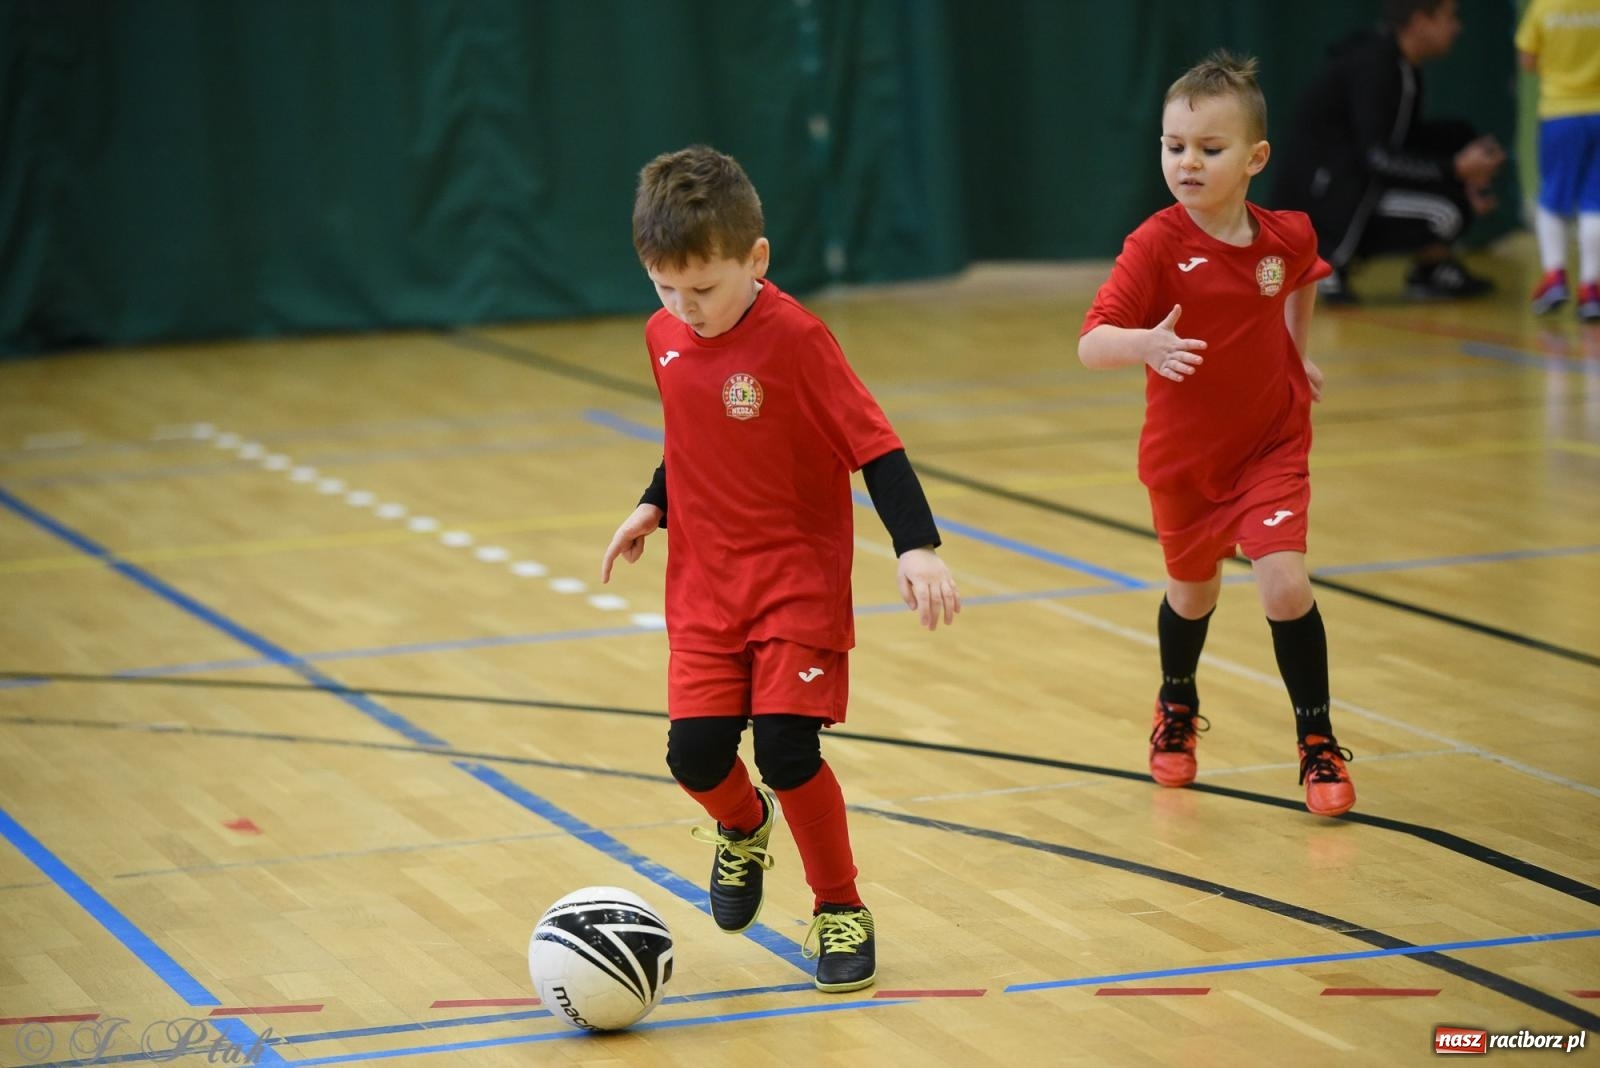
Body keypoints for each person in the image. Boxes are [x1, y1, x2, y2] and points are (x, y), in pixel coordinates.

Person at [601, 145, 960, 993]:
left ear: (755, 259)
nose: (685, 309)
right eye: (665, 289)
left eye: (704, 288)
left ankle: (840, 907)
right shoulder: (664, 336)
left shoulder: (797, 339)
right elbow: (689, 436)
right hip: (703, 585)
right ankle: (742, 824)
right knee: (694, 757)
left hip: (795, 578)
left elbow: (875, 444)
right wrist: (653, 502)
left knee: (787, 747)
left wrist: (916, 544)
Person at [1078, 51, 1356, 818]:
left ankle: (1317, 743)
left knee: (1284, 583)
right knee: (1192, 596)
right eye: (1174, 147)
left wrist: (1298, 357)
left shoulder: (1284, 236)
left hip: (1270, 444)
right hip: (1184, 463)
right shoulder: (1154, 246)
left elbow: (1303, 277)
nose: (1188, 162)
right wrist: (1145, 345)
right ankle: (1175, 704)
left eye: (1209, 148)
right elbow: (1091, 341)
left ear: (1254, 159)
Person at [1274, 0, 1507, 304]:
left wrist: (1466, 166)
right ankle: (1324, 258)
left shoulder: (1403, 68)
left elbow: (1404, 143)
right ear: (1420, 21)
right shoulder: (1376, 66)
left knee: (1455, 135)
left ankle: (1431, 268)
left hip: (1355, 184)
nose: (1457, 28)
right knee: (1447, 212)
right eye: (1450, 17)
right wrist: (1455, 170)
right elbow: (1376, 157)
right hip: (1325, 197)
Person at [1517, 0, 1600, 322]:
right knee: (1596, 202)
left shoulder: (1543, 7)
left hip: (1560, 113)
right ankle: (1591, 287)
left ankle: (1554, 275)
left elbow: (1527, 60)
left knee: (1552, 197)